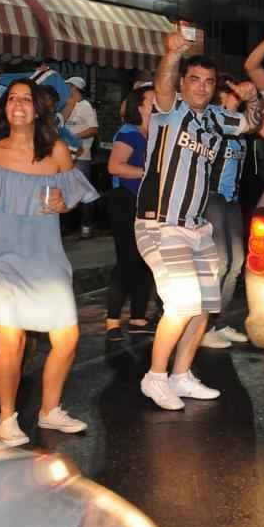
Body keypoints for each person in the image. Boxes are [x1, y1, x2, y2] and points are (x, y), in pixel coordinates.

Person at [0, 79, 98, 446]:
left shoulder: (57, 151)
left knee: (67, 337)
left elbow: (75, 193)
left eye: (26, 99)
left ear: (38, 109)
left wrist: (65, 203)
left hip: (45, 258)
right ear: (5, 108)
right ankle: (6, 418)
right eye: (12, 99)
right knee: (11, 342)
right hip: (0, 260)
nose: (18, 104)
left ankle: (49, 411)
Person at [136, 33, 259, 410]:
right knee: (182, 303)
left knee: (204, 306)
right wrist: (172, 54)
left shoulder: (217, 118)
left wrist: (254, 102)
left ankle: (181, 375)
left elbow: (250, 125)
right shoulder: (169, 110)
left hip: (196, 226)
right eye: (194, 80)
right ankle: (155, 377)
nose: (202, 88)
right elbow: (161, 84)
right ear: (183, 82)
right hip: (161, 224)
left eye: (208, 81)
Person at [197, 76, 255, 349]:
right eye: (235, 91)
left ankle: (219, 323)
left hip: (232, 199)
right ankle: (204, 326)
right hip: (213, 196)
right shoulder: (213, 117)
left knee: (237, 263)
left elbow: (259, 123)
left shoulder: (239, 122)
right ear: (222, 95)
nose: (240, 94)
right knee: (219, 263)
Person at [104, 83, 157, 341]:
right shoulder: (129, 133)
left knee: (146, 260)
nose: (157, 104)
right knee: (127, 260)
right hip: (124, 201)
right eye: (152, 100)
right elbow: (115, 167)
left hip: (147, 203)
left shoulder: (157, 135)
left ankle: (138, 317)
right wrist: (148, 174)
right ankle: (113, 320)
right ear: (140, 106)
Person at [62, 76, 99, 238]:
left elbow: (93, 129)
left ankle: (86, 226)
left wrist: (73, 136)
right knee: (66, 191)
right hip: (66, 157)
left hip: (82, 157)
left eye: (67, 86)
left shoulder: (85, 106)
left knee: (84, 193)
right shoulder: (65, 106)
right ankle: (67, 226)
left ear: (74, 88)